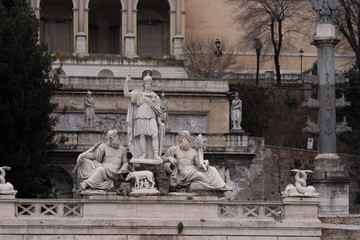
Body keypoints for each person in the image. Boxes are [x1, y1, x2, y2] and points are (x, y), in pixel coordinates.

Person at [162, 131, 230, 190]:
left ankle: (222, 185)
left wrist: (205, 162)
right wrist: (169, 158)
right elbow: (162, 159)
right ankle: (214, 186)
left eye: (182, 137)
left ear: (187, 139)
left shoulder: (193, 151)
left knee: (213, 169)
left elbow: (199, 164)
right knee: (200, 176)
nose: (180, 139)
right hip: (183, 174)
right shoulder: (173, 149)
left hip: (193, 170)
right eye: (180, 137)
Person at [124, 73, 164, 161]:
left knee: (154, 135)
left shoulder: (155, 96)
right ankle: (144, 154)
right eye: (146, 83)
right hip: (141, 115)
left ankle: (156, 154)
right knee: (142, 136)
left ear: (151, 84)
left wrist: (159, 122)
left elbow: (158, 111)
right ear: (144, 84)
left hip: (151, 116)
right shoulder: (139, 94)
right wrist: (126, 82)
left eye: (150, 83)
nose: (148, 85)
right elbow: (126, 94)